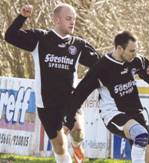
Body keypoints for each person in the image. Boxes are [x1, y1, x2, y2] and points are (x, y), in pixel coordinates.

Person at [4, 3, 101, 163]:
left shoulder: (78, 45)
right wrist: (22, 17)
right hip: (46, 104)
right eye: (68, 18)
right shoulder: (40, 39)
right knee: (60, 145)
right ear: (56, 20)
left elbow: (100, 64)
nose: (72, 22)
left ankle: (77, 144)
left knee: (77, 131)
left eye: (74, 19)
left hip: (70, 100)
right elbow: (10, 36)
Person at [65, 31, 149, 163]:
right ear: (119, 49)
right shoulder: (101, 68)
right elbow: (79, 94)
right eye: (131, 51)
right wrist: (69, 121)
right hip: (114, 113)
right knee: (141, 135)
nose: (134, 54)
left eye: (136, 51)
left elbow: (147, 73)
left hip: (135, 112)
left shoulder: (135, 60)